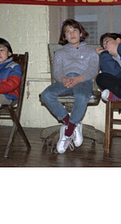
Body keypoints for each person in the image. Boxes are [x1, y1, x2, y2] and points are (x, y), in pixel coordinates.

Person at [41, 19, 99, 154]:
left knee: (81, 95)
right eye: (68, 32)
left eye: (74, 30)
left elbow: (93, 70)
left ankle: (68, 133)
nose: (71, 34)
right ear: (64, 36)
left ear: (81, 33)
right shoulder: (60, 53)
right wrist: (63, 79)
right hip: (65, 80)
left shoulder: (91, 51)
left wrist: (79, 78)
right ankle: (71, 124)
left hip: (84, 80)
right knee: (46, 95)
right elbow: (57, 71)